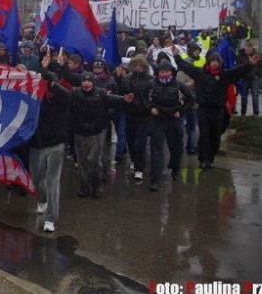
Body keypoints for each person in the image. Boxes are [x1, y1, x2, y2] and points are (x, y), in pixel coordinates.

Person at [45, 69, 133, 198]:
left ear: (94, 83)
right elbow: (62, 91)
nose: (86, 84)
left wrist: (125, 100)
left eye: (89, 81)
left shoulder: (101, 94)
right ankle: (84, 186)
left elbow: (114, 99)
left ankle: (96, 185)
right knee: (82, 162)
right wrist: (50, 79)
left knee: (94, 161)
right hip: (79, 133)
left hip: (95, 133)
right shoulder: (75, 93)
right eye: (84, 81)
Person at [175, 46, 262, 169]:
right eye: (213, 61)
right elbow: (187, 67)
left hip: (217, 111)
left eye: (217, 61)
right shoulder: (200, 73)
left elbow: (238, 71)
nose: (215, 63)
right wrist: (176, 56)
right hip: (203, 109)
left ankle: (210, 158)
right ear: (209, 62)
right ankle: (203, 159)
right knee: (204, 135)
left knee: (215, 136)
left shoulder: (224, 75)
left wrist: (249, 64)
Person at [30, 53, 73, 233]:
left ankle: (51, 218)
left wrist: (51, 74)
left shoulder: (63, 94)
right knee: (37, 178)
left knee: (53, 181)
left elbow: (62, 91)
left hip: (56, 143)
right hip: (37, 142)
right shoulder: (34, 93)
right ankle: (42, 199)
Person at [146, 60, 195, 190]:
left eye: (167, 71)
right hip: (158, 120)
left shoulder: (179, 85)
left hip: (174, 120)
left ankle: (175, 169)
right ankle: (154, 180)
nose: (164, 74)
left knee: (176, 148)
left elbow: (191, 99)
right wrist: (150, 108)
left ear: (172, 72)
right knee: (156, 150)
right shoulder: (151, 84)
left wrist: (181, 111)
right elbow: (143, 98)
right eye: (162, 71)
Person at [124, 55, 155, 184]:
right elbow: (122, 93)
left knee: (141, 142)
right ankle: (134, 159)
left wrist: (148, 106)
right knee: (130, 139)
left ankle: (139, 168)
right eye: (135, 65)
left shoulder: (150, 80)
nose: (137, 68)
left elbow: (152, 96)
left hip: (144, 114)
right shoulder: (127, 79)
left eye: (140, 66)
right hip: (130, 112)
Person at [236, 41, 262, 116]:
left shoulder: (257, 56)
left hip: (254, 79)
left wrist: (258, 75)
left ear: (252, 48)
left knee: (255, 96)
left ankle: (256, 113)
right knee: (244, 97)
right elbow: (237, 68)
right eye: (247, 49)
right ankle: (243, 113)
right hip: (244, 79)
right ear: (245, 47)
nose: (248, 51)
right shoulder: (240, 56)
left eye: (249, 49)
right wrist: (240, 76)